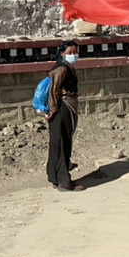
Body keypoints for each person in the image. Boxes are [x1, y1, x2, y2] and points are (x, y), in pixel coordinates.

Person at [45, 40, 84, 192]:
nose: (73, 55)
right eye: (70, 53)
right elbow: (54, 91)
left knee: (58, 143)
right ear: (62, 54)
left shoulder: (67, 67)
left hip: (62, 109)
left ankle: (55, 177)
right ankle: (64, 182)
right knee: (62, 144)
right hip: (61, 109)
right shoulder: (61, 69)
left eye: (75, 52)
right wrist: (53, 111)